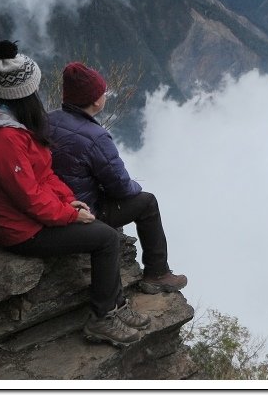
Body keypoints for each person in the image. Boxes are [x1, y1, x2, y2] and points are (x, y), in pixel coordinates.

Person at [0, 40, 150, 348]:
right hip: (22, 233)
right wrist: (69, 214)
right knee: (104, 238)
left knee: (103, 233)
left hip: (34, 219)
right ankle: (102, 319)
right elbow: (29, 198)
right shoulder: (3, 139)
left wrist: (68, 200)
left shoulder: (15, 124)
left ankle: (115, 306)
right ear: (25, 92)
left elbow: (44, 174)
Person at [48, 61, 187, 294]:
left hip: (52, 204)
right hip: (82, 210)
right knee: (147, 203)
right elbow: (121, 188)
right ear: (95, 100)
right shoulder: (95, 137)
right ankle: (157, 274)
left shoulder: (47, 119)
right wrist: (135, 185)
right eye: (103, 92)